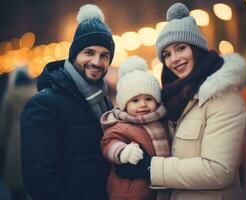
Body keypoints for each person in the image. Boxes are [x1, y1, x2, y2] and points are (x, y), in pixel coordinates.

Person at [116, 3, 246, 200]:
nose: (175, 59)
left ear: (195, 49)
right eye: (167, 54)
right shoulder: (178, 98)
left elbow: (218, 170)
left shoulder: (223, 96)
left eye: (181, 48)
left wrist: (151, 167)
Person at [20, 4, 115, 200]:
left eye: (104, 55)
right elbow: (40, 180)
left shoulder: (105, 102)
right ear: (74, 55)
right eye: (89, 52)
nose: (97, 62)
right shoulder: (43, 105)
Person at [101, 56, 171, 200]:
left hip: (161, 189)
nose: (143, 105)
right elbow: (108, 143)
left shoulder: (163, 121)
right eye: (135, 100)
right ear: (124, 104)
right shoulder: (121, 125)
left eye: (149, 99)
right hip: (130, 193)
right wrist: (123, 152)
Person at [0, 68, 35, 200]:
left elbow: (3, 121)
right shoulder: (34, 92)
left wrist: (2, 141)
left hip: (14, 136)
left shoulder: (10, 95)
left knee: (16, 177)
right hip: (33, 132)